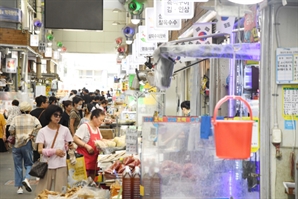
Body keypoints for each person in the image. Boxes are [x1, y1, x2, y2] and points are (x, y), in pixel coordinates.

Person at [35, 105, 73, 195]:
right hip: (47, 164)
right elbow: (39, 150)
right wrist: (55, 151)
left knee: (61, 192)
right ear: (49, 115)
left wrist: (69, 146)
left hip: (61, 164)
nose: (58, 117)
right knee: (42, 192)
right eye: (55, 115)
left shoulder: (65, 130)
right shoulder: (42, 131)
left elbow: (70, 145)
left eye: (60, 115)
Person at [9, 102, 42, 194]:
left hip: (16, 144)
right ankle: (26, 179)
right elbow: (39, 127)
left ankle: (19, 188)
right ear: (29, 110)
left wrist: (15, 134)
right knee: (29, 164)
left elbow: (11, 129)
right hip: (27, 143)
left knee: (18, 166)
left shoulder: (15, 118)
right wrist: (32, 135)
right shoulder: (33, 119)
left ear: (20, 110)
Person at [73, 108, 105, 179]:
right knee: (83, 184)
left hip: (93, 162)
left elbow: (101, 140)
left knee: (91, 184)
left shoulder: (97, 128)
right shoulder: (85, 127)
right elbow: (75, 138)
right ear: (94, 118)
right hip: (84, 161)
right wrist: (86, 146)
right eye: (101, 120)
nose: (102, 122)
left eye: (103, 120)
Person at [30, 95, 49, 164]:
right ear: (42, 103)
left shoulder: (32, 113)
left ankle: (37, 168)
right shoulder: (47, 113)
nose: (48, 104)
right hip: (45, 135)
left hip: (35, 136)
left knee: (36, 152)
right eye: (47, 102)